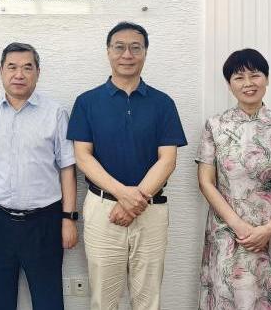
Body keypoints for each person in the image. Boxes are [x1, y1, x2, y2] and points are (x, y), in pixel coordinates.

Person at [67, 21, 187, 309]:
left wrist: (135, 201)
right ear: (108, 51)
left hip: (151, 210)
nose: (127, 55)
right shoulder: (87, 102)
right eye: (119, 47)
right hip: (102, 210)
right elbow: (83, 157)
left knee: (148, 299)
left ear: (145, 52)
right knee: (103, 299)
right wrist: (123, 195)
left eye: (136, 48)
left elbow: (168, 160)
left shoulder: (163, 103)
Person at [196, 48, 271, 309]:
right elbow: (206, 182)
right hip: (230, 233)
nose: (248, 83)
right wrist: (239, 226)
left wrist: (269, 229)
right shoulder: (215, 126)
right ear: (229, 84)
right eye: (239, 77)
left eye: (255, 75)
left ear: (266, 79)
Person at [0, 42, 78, 310]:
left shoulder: (56, 114)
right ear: (1, 71)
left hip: (44, 221)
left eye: (27, 68)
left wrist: (68, 219)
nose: (19, 74)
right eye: (12, 67)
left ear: (38, 72)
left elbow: (67, 168)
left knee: (49, 301)